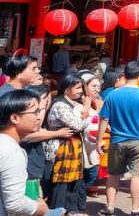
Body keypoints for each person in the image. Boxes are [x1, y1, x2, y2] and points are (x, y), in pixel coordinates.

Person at [97, 61, 139, 216]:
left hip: (116, 140)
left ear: (124, 75)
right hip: (137, 141)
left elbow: (104, 119)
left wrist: (99, 140)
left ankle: (109, 207)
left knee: (113, 174)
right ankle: (135, 209)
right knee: (137, 175)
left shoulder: (112, 94)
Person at [0, 89, 61, 216]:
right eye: (35, 112)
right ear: (15, 118)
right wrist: (43, 210)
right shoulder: (12, 152)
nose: (39, 117)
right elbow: (15, 204)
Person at [43, 76, 89, 216]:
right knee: (61, 182)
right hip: (62, 147)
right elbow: (78, 125)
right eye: (78, 88)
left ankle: (69, 210)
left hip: (71, 147)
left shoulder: (70, 103)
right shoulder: (60, 105)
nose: (81, 91)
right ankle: (58, 210)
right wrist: (86, 115)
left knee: (72, 181)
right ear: (67, 89)